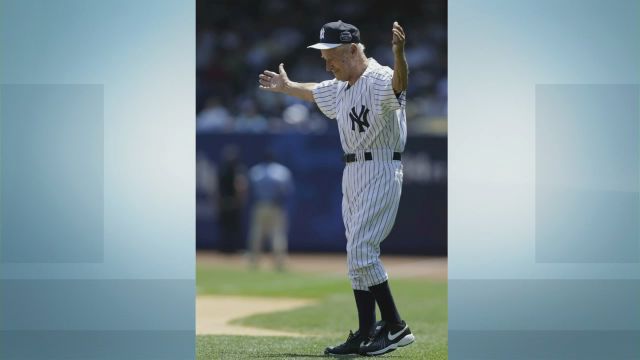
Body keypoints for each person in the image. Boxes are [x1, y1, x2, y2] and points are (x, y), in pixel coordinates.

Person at [258, 20, 414, 356]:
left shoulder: (378, 77)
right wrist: (288, 87)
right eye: (325, 57)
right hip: (353, 172)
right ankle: (364, 332)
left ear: (355, 50)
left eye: (333, 57)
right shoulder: (342, 86)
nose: (328, 64)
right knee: (355, 260)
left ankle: (396, 326)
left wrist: (400, 55)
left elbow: (399, 87)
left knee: (361, 251)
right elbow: (316, 90)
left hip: (382, 166)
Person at [246, 151, 294, 271]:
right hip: (275, 206)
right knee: (277, 234)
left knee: (256, 234)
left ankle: (254, 261)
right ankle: (279, 262)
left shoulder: (256, 171)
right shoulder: (281, 171)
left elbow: (249, 188)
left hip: (260, 204)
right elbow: (287, 190)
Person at [216, 145, 248, 253]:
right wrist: (241, 199)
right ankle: (233, 249)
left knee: (226, 227)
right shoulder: (237, 168)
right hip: (233, 202)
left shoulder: (222, 168)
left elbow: (215, 188)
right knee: (233, 227)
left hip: (224, 202)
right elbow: (240, 185)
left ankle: (225, 249)